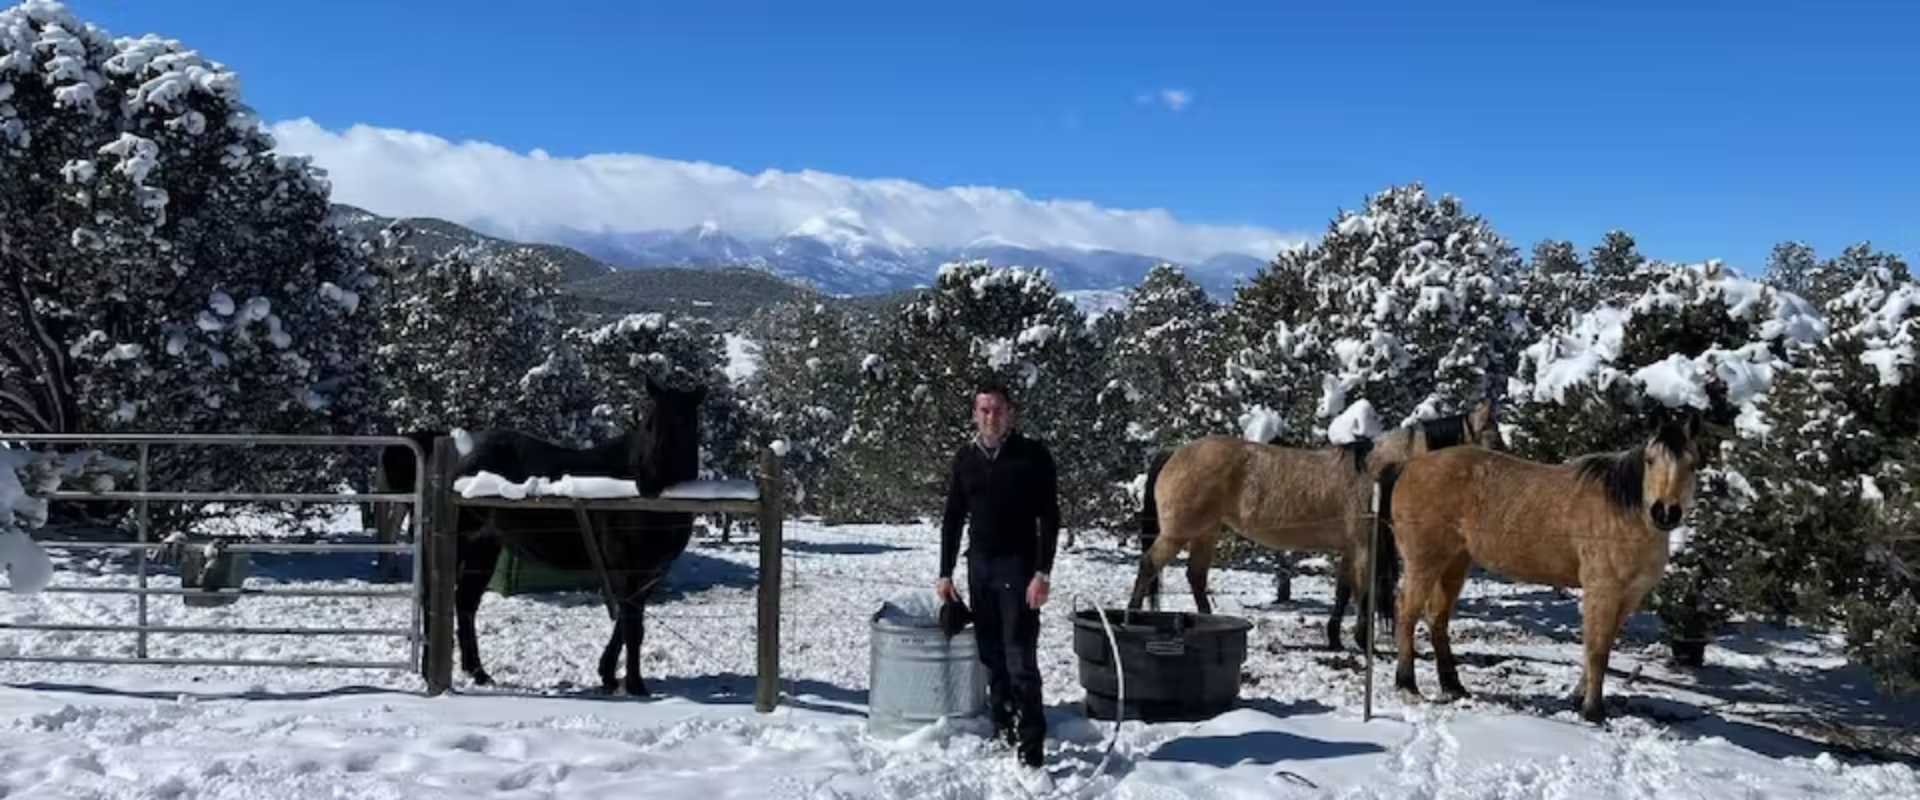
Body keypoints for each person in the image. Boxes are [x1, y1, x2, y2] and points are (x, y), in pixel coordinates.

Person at [934, 381, 1061, 769]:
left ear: (1011, 414)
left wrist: (1042, 572)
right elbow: (953, 517)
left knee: (1020, 653)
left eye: (998, 410)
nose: (991, 417)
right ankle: (1004, 719)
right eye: (984, 410)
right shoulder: (966, 458)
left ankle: (1031, 741)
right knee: (990, 651)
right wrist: (945, 571)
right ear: (975, 414)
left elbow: (1050, 518)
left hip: (1019, 566)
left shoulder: (1033, 456)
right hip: (980, 565)